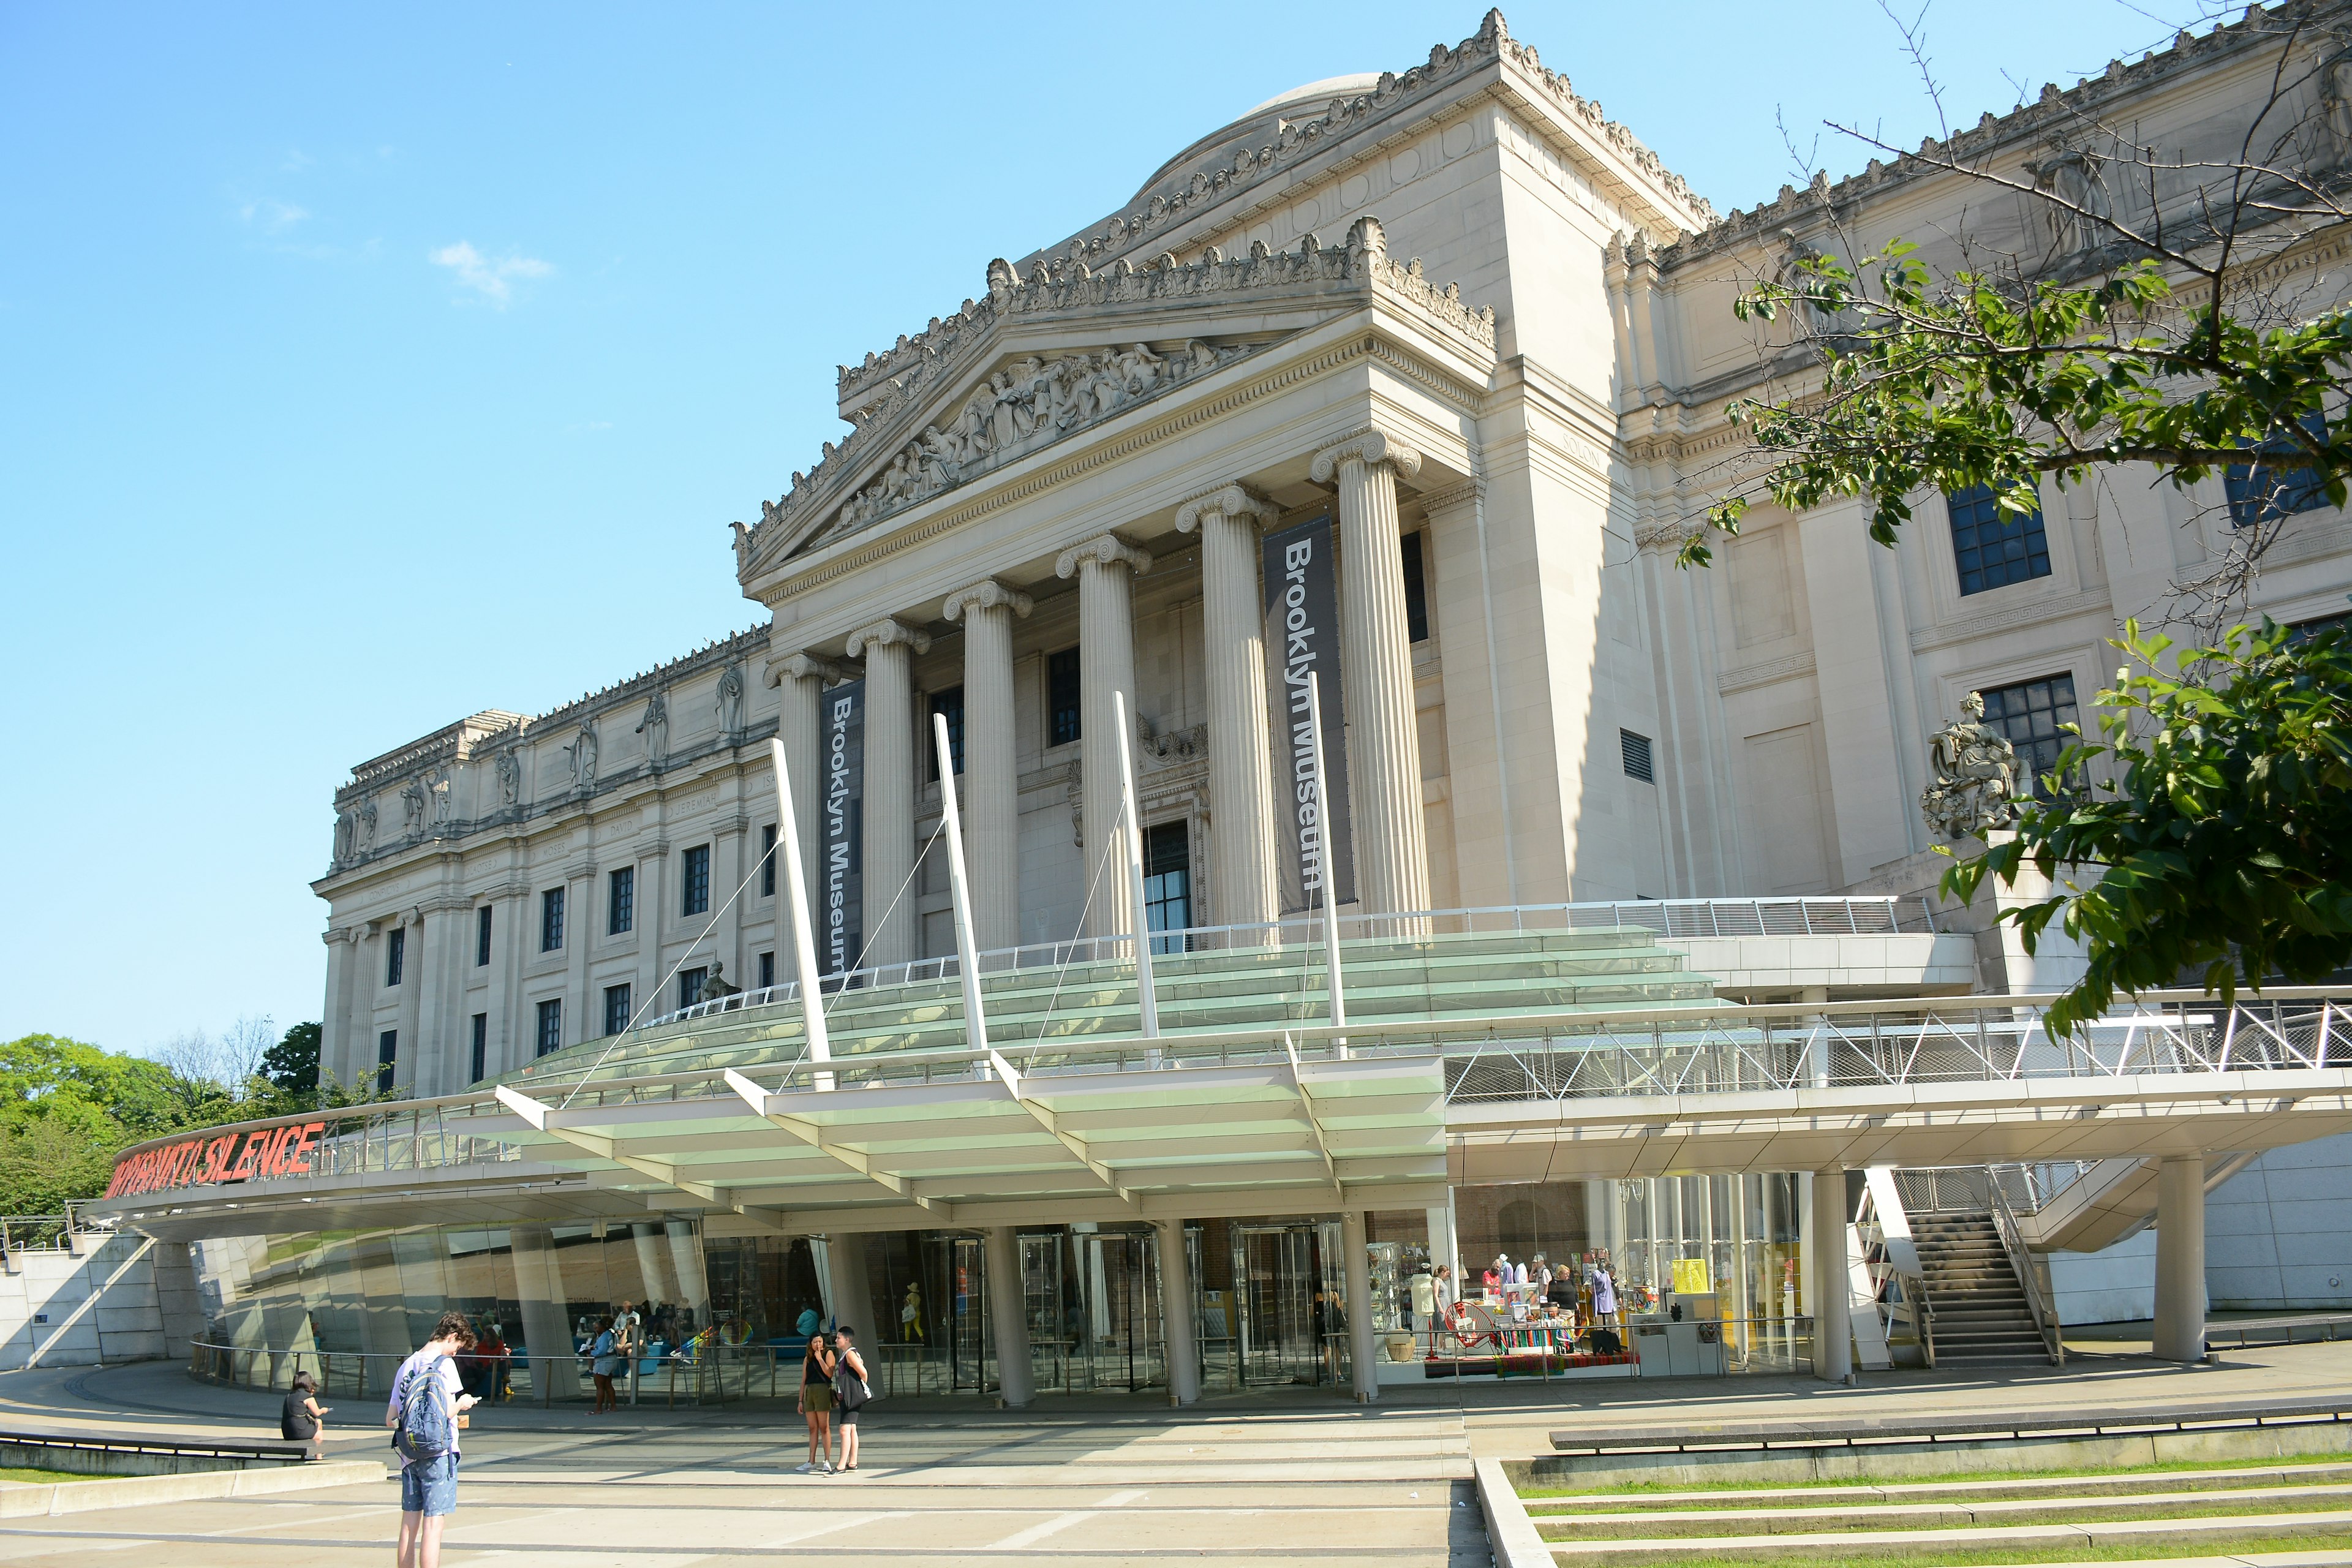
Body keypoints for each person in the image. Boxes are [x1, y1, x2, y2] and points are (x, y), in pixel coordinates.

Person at [386, 1311, 480, 1568]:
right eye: (457, 1347)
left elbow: (391, 1418)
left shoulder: (407, 1365)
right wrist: (462, 1403)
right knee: (433, 1523)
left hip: (409, 1455)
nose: (456, 1354)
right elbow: (444, 1413)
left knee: (409, 1524)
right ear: (452, 1337)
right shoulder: (444, 1365)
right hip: (439, 1453)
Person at [796, 1324, 835, 1473]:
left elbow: (829, 1374)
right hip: (809, 1392)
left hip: (822, 1391)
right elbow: (803, 1380)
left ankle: (827, 1460)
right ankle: (811, 1461)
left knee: (824, 1427)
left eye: (820, 1342)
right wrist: (800, 1400)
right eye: (815, 1342)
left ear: (823, 1342)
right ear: (810, 1344)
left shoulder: (828, 1354)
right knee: (813, 1428)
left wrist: (820, 1359)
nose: (818, 1345)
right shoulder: (808, 1358)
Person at [832, 1325, 869, 1474]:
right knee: (852, 1428)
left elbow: (863, 1372)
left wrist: (860, 1388)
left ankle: (841, 1465)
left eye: (839, 1338)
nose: (836, 1340)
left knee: (844, 1429)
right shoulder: (847, 1354)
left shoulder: (850, 1354)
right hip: (848, 1396)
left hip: (851, 1397)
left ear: (847, 1340)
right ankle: (852, 1462)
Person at [282, 1368, 330, 1460]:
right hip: (299, 1431)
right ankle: (319, 1457)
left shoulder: (289, 1395)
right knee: (319, 1426)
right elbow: (317, 1413)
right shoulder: (306, 1396)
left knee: (316, 1424)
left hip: (287, 1432)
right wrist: (324, 1410)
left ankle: (317, 1453)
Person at [589, 1316, 620, 1414]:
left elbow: (602, 1351)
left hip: (603, 1362)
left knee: (600, 1386)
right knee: (608, 1385)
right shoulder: (611, 1334)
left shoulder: (603, 1337)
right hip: (612, 1360)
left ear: (602, 1327)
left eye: (597, 1328)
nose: (596, 1330)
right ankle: (613, 1406)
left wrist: (591, 1352)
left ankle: (598, 1409)